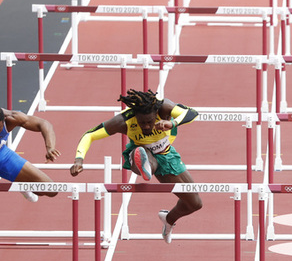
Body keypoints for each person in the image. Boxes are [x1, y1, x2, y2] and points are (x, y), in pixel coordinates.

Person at [70, 89, 203, 244]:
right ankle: (140, 163)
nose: (146, 126)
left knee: (195, 203)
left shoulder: (164, 107)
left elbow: (192, 113)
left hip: (167, 154)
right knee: (143, 154)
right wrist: (79, 159)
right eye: (142, 123)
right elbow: (89, 135)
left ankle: (168, 219)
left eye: (149, 122)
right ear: (135, 117)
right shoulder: (123, 121)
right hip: (141, 151)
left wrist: (171, 122)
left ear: (156, 115)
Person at [0, 107, 61, 202]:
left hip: (3, 156)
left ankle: (23, 186)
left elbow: (44, 123)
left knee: (51, 189)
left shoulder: (12, 118)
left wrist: (50, 148)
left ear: (3, 121)